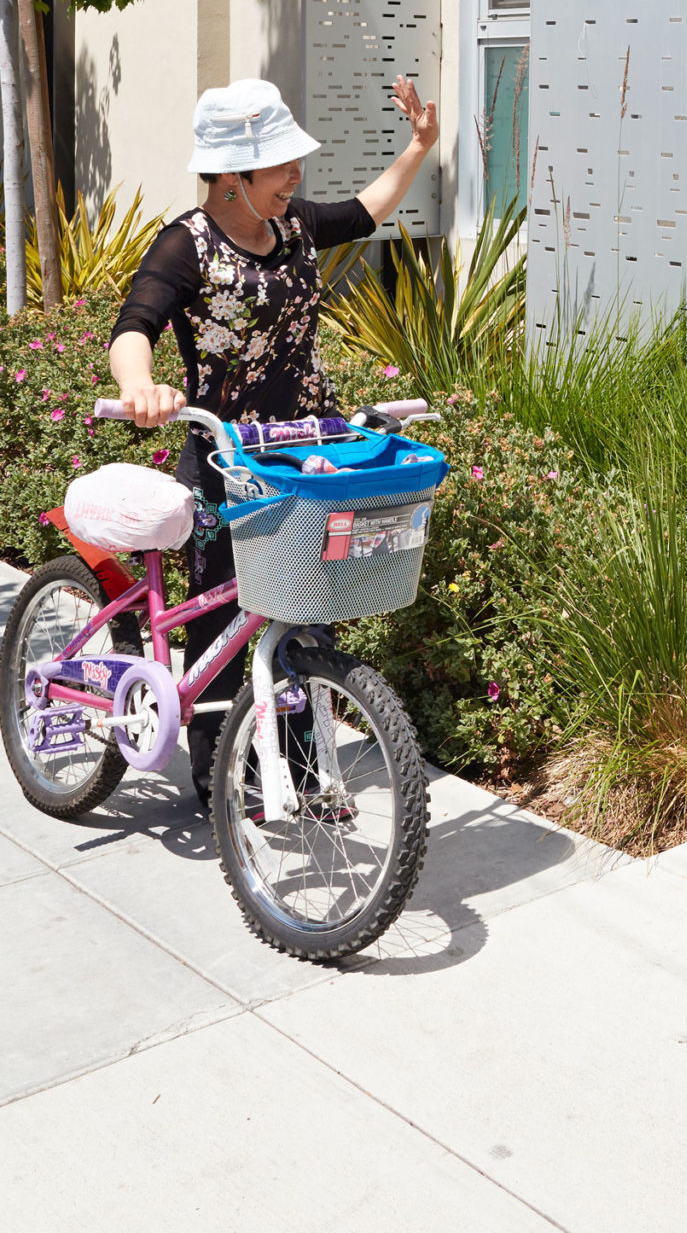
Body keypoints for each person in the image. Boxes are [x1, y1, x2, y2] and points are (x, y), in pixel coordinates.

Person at [108, 74, 439, 810]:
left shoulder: (294, 227)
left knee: (307, 611)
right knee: (223, 620)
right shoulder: (186, 245)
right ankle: (226, 780)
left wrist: (419, 147)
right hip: (228, 461)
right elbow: (135, 325)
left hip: (309, 452)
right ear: (233, 175)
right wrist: (141, 385)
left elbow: (365, 210)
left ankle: (302, 771)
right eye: (281, 165)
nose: (295, 177)